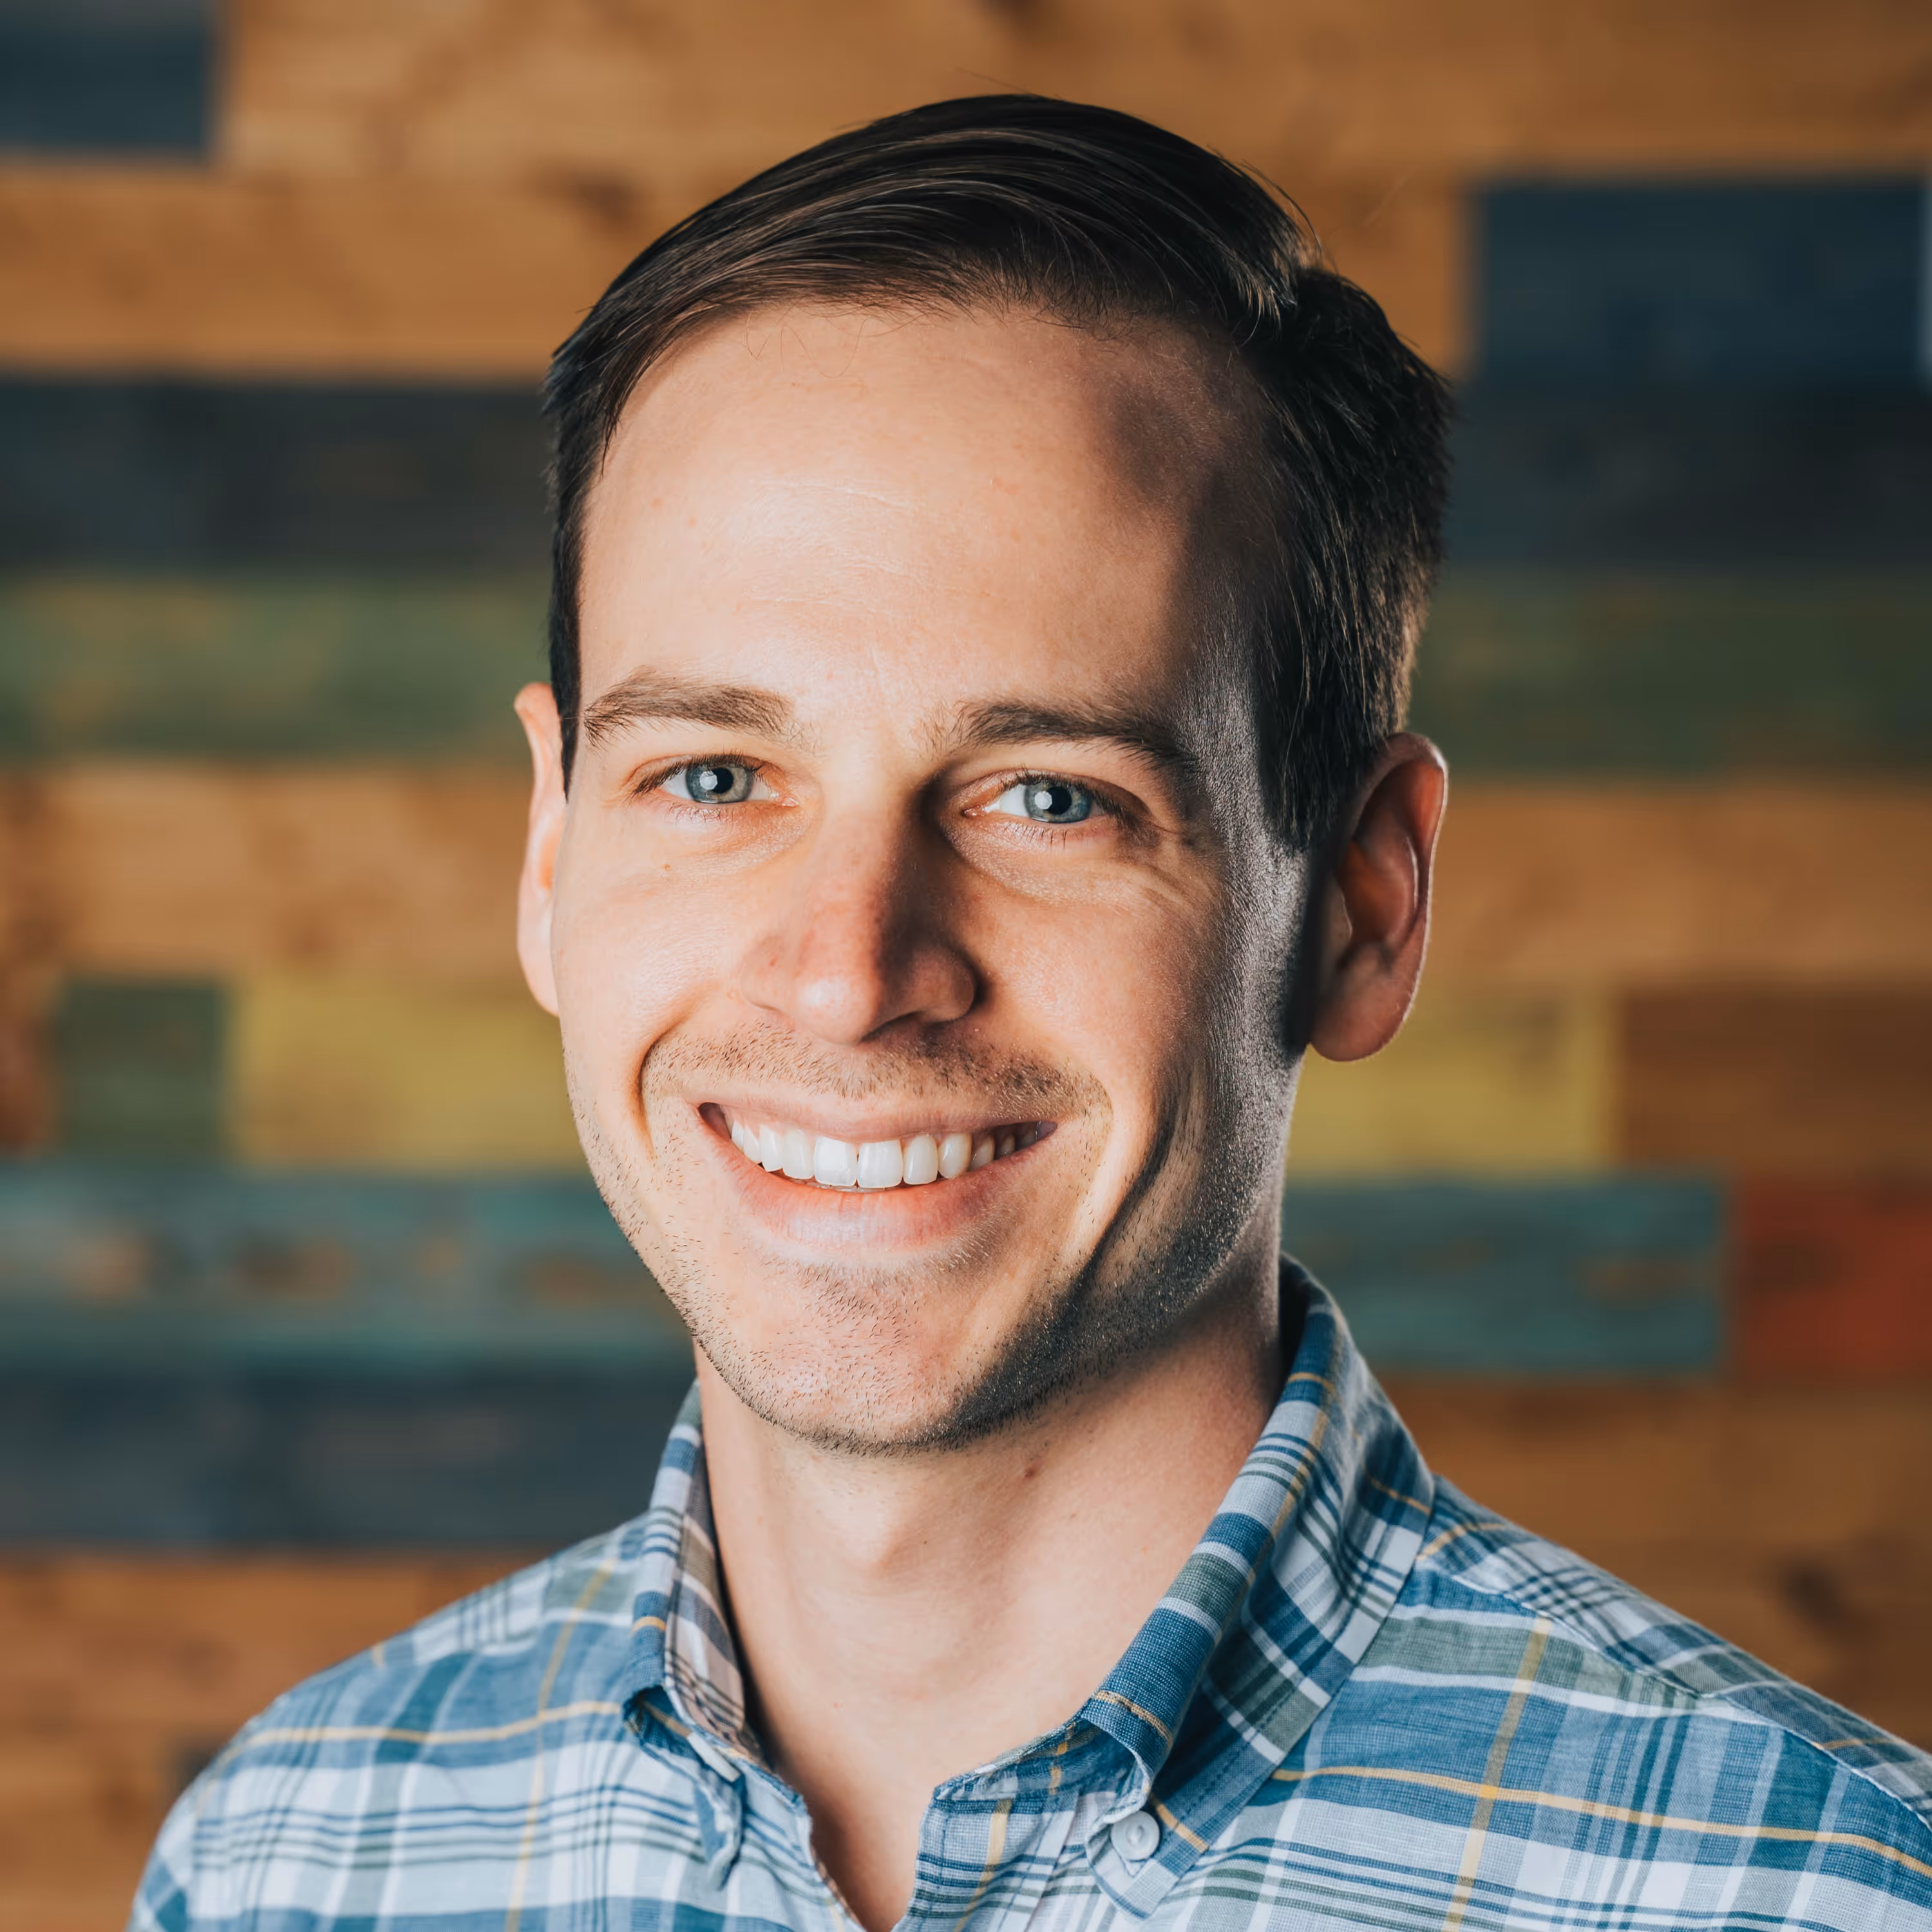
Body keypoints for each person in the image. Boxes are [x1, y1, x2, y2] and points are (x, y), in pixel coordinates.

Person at [132, 95, 1931, 1932]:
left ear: (1367, 906)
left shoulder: (1816, 1896)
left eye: (1051, 797)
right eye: (711, 776)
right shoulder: (293, 1865)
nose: (847, 971)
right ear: (549, 851)